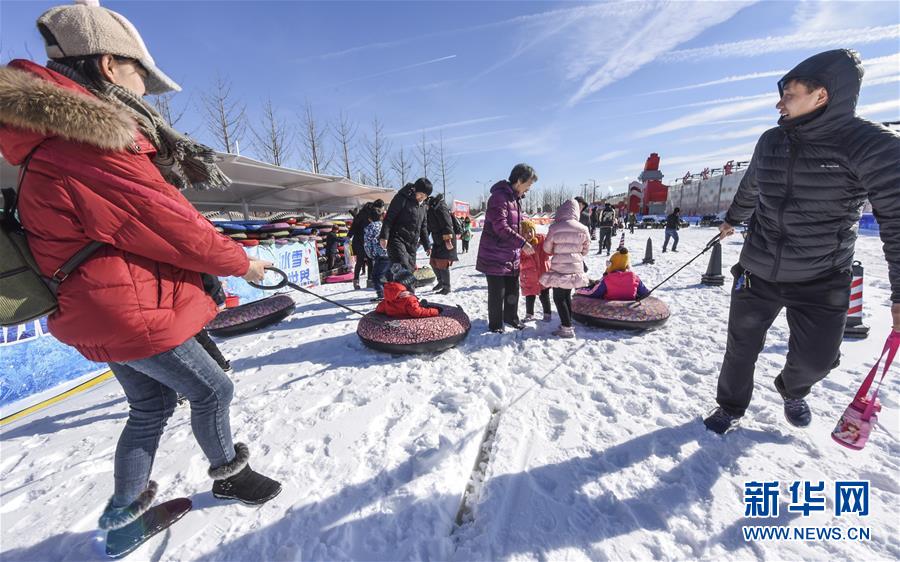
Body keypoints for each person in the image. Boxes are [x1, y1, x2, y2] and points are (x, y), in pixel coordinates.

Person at [0, 3, 281, 536]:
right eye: (140, 75)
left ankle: (123, 511)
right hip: (131, 312)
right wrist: (244, 261)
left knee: (150, 406)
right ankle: (230, 476)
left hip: (95, 309)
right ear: (108, 66)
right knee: (213, 391)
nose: (145, 91)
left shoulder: (45, 145)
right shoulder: (90, 146)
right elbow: (177, 228)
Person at [703, 49, 900, 435]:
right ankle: (730, 406)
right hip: (758, 270)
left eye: (789, 94)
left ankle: (793, 389)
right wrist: (731, 220)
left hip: (821, 276)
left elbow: (896, 220)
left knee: (818, 360)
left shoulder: (873, 146)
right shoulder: (771, 141)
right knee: (740, 349)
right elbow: (750, 187)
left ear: (821, 95)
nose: (779, 103)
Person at [476, 164, 537, 333]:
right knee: (497, 293)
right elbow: (500, 227)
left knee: (512, 290)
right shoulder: (499, 198)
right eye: (529, 184)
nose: (529, 188)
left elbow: (514, 222)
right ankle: (495, 325)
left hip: (511, 253)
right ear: (519, 180)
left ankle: (511, 318)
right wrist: (522, 243)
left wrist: (525, 228)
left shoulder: (515, 199)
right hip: (495, 253)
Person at [540, 199, 590, 338]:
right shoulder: (583, 228)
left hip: (560, 268)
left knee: (558, 298)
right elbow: (585, 250)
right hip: (575, 267)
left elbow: (547, 248)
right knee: (567, 295)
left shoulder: (555, 227)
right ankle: (568, 322)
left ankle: (566, 328)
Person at [380, 178, 432, 273]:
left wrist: (427, 245)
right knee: (404, 267)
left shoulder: (423, 206)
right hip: (397, 239)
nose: (421, 198)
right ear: (415, 190)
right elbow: (389, 218)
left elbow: (423, 227)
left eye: (425, 196)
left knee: (410, 271)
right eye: (420, 194)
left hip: (411, 244)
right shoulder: (402, 198)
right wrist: (384, 236)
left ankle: (401, 287)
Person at [577, 247, 650, 301]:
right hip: (630, 303)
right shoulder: (634, 277)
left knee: (594, 285)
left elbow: (594, 293)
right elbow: (645, 293)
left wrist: (579, 290)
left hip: (610, 305)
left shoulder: (608, 278)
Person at [375, 264, 441, 319]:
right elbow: (417, 312)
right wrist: (435, 311)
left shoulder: (388, 298)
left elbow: (379, 309)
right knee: (422, 307)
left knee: (420, 304)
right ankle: (424, 306)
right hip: (406, 318)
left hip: (394, 317)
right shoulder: (409, 299)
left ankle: (422, 304)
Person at [519, 219, 552, 322]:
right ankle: (529, 314)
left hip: (543, 274)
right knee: (530, 296)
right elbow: (519, 262)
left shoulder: (541, 240)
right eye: (525, 232)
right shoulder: (520, 246)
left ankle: (547, 313)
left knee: (544, 296)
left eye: (530, 231)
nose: (528, 234)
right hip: (528, 276)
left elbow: (550, 251)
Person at [426, 192, 458, 295]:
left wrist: (448, 240)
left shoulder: (439, 206)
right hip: (437, 239)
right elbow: (428, 226)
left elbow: (447, 223)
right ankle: (440, 282)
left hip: (445, 238)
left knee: (442, 264)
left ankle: (446, 287)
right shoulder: (430, 209)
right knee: (433, 262)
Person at [364, 205, 390, 302]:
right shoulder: (384, 225)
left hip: (380, 255)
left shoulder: (370, 227)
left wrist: (370, 255)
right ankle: (389, 294)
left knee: (376, 276)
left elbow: (367, 243)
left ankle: (381, 295)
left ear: (369, 219)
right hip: (389, 253)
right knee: (387, 276)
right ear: (381, 216)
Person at [348, 202, 372, 290]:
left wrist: (349, 236)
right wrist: (349, 236)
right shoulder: (363, 216)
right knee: (367, 261)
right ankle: (368, 280)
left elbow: (353, 227)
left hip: (362, 242)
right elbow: (354, 227)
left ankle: (358, 281)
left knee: (362, 261)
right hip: (360, 242)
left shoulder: (362, 215)